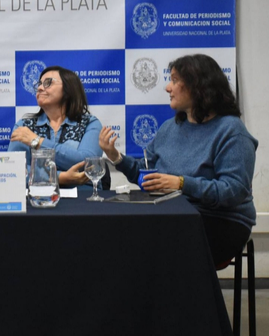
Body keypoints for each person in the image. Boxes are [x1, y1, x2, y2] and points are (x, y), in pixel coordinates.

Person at [99, 54, 257, 265]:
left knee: (150, 243)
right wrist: (115, 157)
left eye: (174, 80)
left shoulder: (231, 131)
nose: (167, 87)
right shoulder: (169, 128)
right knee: (120, 232)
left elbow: (233, 191)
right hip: (171, 213)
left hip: (221, 221)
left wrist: (181, 183)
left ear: (198, 86)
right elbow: (147, 177)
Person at [8, 66, 105, 187]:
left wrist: (37, 141)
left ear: (68, 89)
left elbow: (88, 164)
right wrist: (59, 177)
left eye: (48, 83)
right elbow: (14, 170)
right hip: (38, 198)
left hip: (83, 198)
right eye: (39, 84)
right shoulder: (24, 126)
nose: (39, 88)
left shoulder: (89, 123)